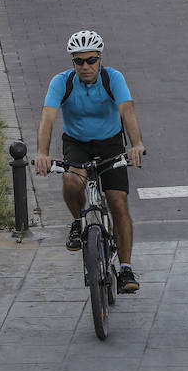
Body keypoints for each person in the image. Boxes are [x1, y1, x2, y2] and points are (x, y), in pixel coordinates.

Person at [34, 31, 147, 294]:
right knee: (72, 180)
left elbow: (127, 111)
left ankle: (126, 267)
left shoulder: (113, 78)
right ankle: (78, 221)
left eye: (91, 60)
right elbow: (48, 118)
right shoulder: (62, 82)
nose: (85, 66)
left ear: (100, 59)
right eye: (79, 61)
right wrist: (42, 152)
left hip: (110, 143)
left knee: (118, 202)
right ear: (72, 62)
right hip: (77, 143)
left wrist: (136, 145)